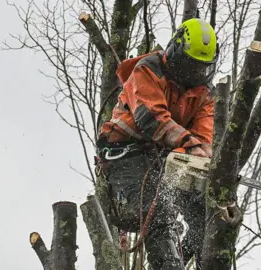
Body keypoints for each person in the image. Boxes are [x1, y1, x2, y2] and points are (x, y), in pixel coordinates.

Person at [95, 18, 219, 270]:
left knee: (205, 214)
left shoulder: (205, 93)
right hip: (125, 153)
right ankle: (168, 265)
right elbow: (151, 118)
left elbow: (204, 136)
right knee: (159, 212)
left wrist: (203, 155)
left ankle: (179, 261)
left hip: (166, 155)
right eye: (189, 65)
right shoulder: (147, 70)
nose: (194, 73)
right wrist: (189, 143)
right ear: (175, 53)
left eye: (200, 68)